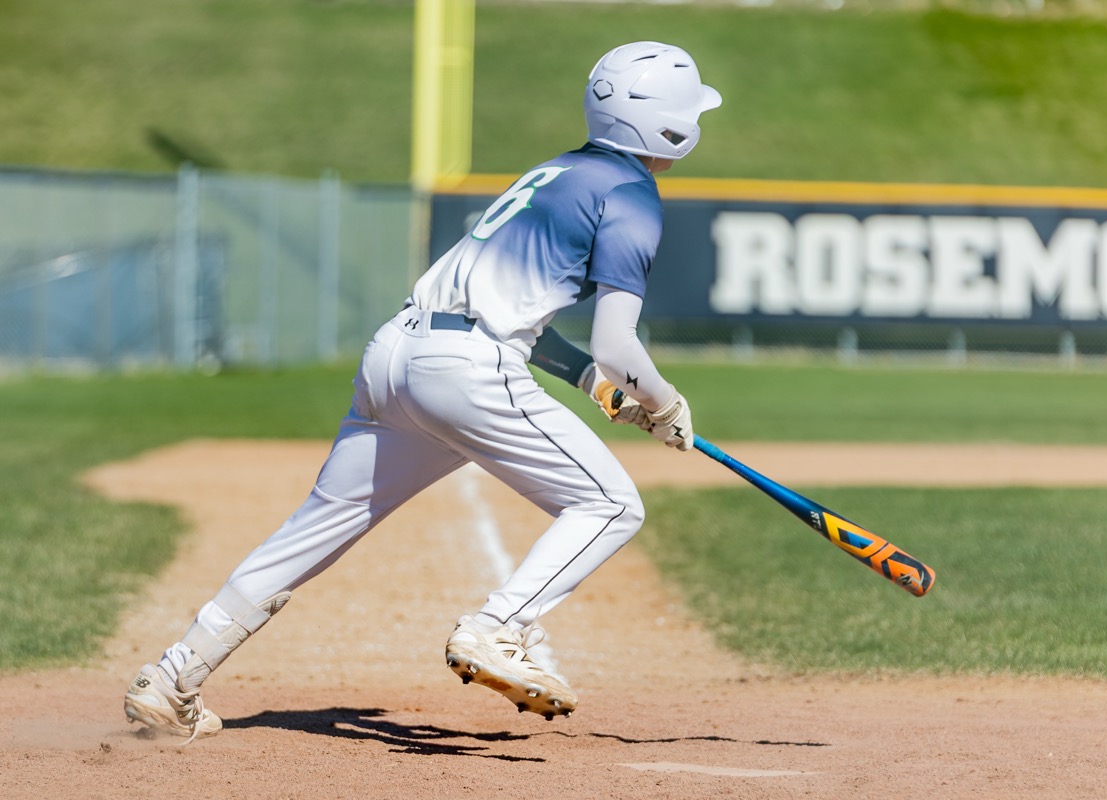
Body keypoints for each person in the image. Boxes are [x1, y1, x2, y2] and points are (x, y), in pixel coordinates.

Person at [123, 40, 722, 741]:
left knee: (313, 531)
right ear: (672, 127)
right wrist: (663, 403)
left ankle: (173, 676)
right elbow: (618, 346)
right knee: (611, 505)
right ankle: (498, 628)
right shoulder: (631, 196)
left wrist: (594, 383)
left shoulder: (557, 171)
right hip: (463, 371)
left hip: (398, 353)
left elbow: (546, 331)